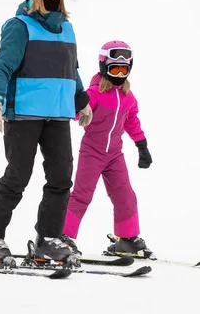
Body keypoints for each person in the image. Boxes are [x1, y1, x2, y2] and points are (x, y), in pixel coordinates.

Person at [0, 0, 93, 267]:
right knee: (17, 177)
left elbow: (72, 70)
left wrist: (82, 101)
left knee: (60, 178)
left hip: (57, 116)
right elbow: (2, 67)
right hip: (24, 115)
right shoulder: (20, 26)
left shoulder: (67, 27)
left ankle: (48, 240)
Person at [60, 40, 154, 258]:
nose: (120, 74)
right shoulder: (94, 93)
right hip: (92, 151)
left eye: (124, 69)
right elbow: (76, 115)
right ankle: (63, 236)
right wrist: (77, 104)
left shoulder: (128, 97)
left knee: (125, 195)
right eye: (115, 69)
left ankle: (127, 239)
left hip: (114, 155)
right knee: (82, 195)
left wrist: (142, 145)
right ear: (104, 67)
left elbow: (131, 121)